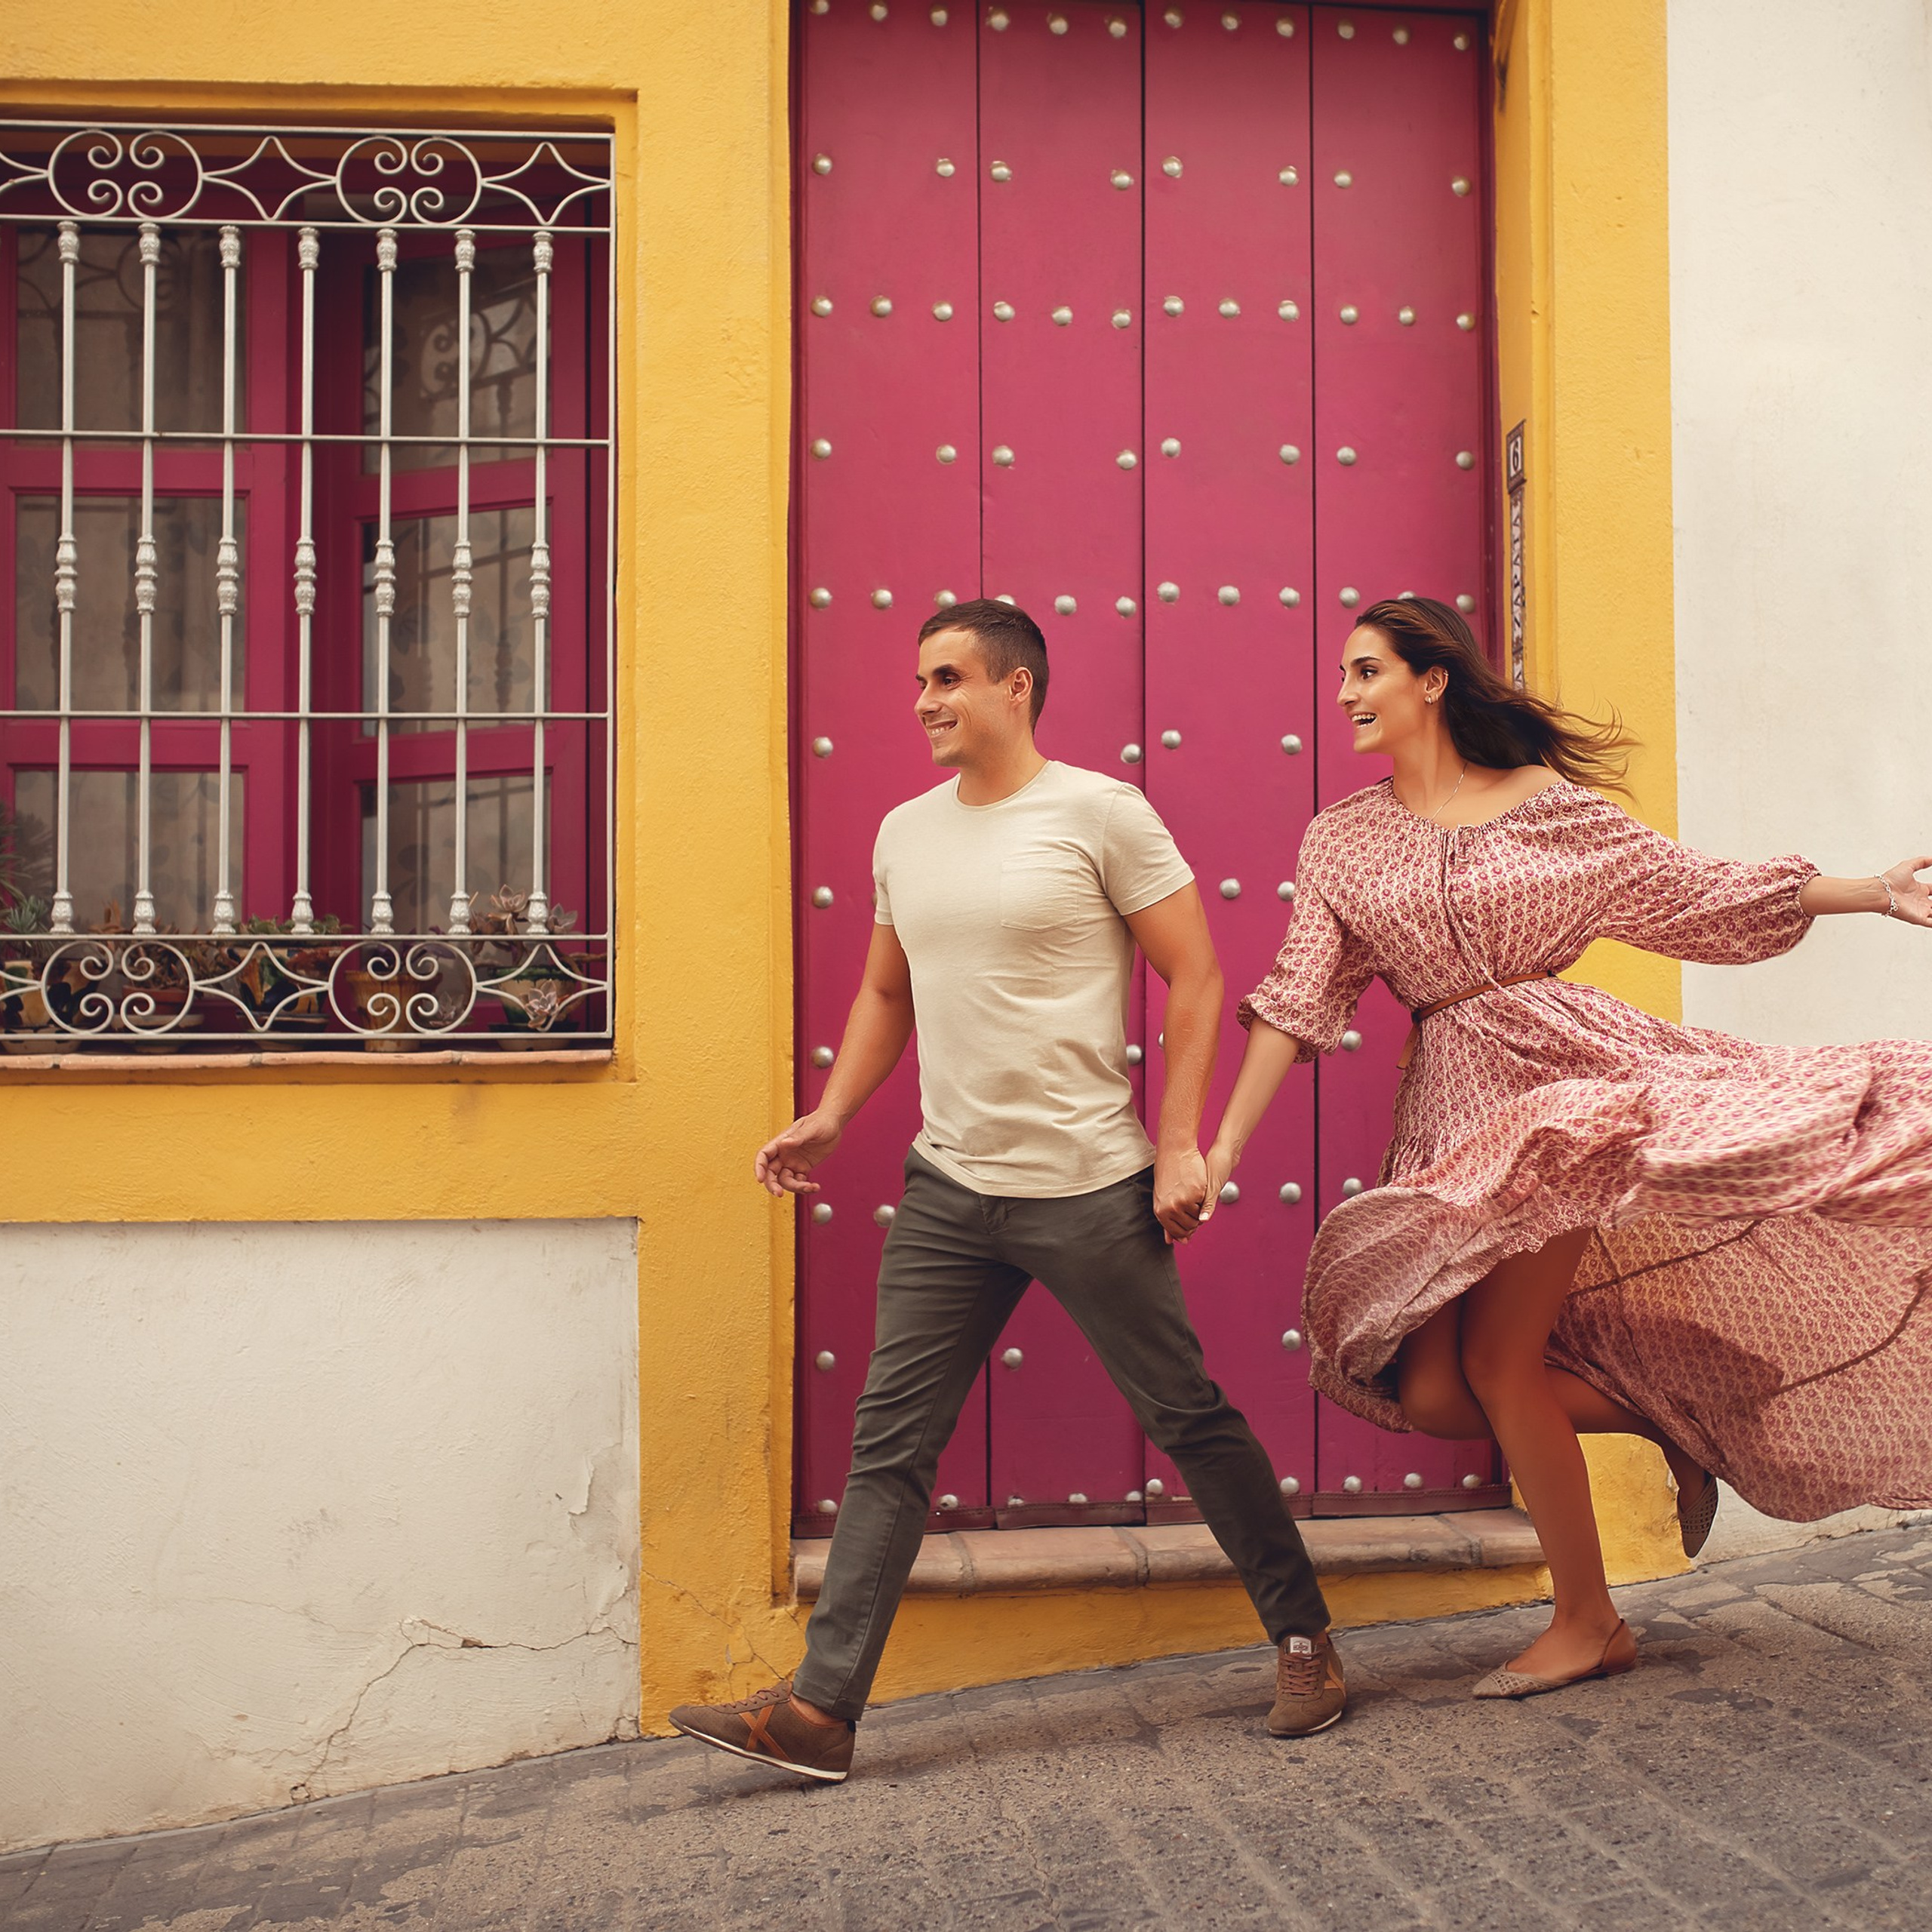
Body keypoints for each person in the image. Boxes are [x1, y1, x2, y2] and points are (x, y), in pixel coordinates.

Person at [1202, 595, 1932, 1699]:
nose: (1346, 695)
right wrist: (1219, 1150)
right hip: (1453, 1104)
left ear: (1431, 680)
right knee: (1436, 1389)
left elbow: (1696, 893)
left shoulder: (1546, 808)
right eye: (1346, 675)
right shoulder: (1342, 839)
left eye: (1367, 672)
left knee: (1500, 1366)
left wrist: (1869, 891)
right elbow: (1299, 1000)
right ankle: (1679, 1420)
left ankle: (1587, 1621)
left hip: (1559, 1090)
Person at [669, 598, 1341, 1782]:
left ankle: (1305, 1639)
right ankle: (822, 1713)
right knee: (891, 1445)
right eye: (920, 682)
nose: (925, 701)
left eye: (947, 679)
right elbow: (888, 994)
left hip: (1087, 1186)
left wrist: (1178, 1145)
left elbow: (1197, 975)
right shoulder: (905, 833)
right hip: (949, 1190)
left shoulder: (1099, 813)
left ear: (1014, 686)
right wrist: (834, 1113)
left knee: (1186, 1415)